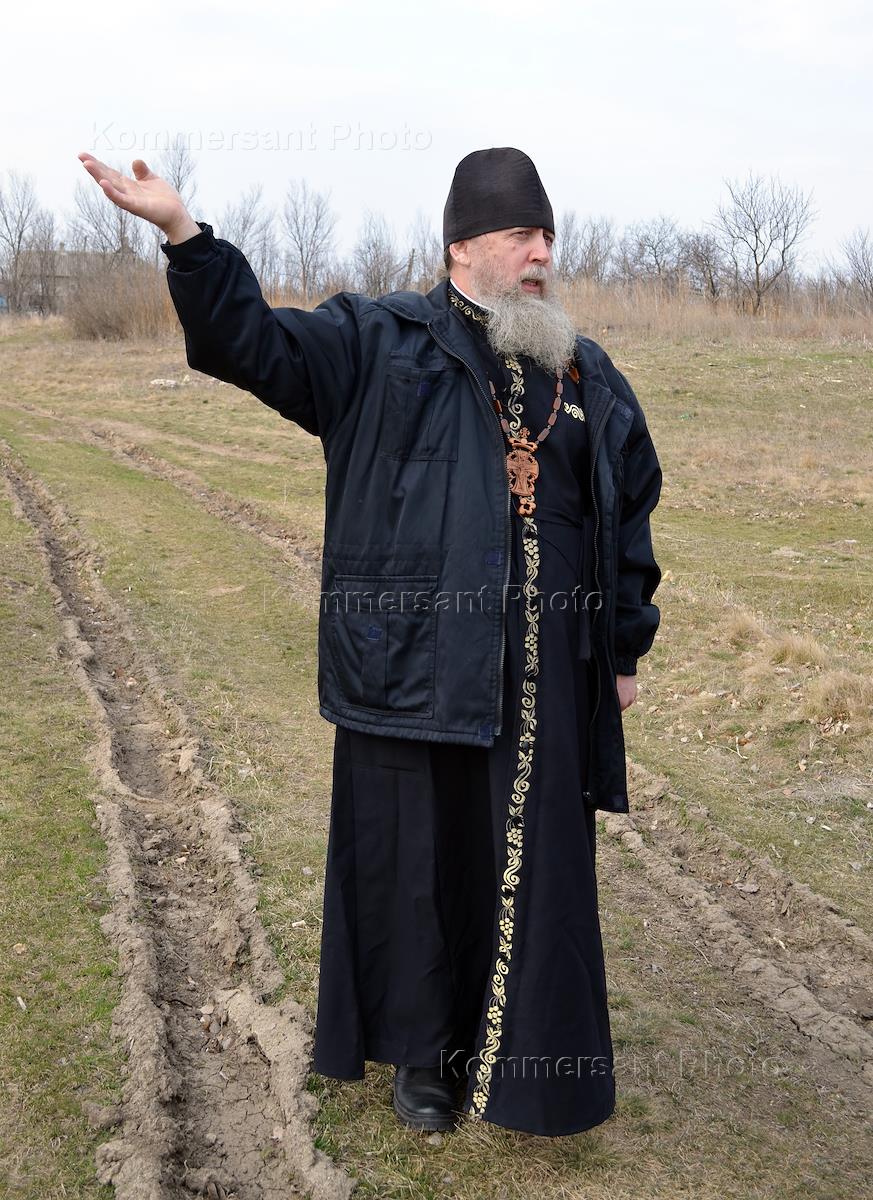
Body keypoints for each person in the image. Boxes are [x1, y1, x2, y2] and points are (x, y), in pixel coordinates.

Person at [77, 145, 664, 1138]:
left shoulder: (584, 372)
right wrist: (186, 237)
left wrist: (621, 649)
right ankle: (424, 1060)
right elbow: (250, 343)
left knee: (535, 874)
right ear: (461, 245)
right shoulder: (376, 343)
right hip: (415, 666)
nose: (541, 255)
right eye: (521, 235)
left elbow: (627, 512)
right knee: (420, 869)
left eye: (548, 237)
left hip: (545, 685)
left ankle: (527, 1066)